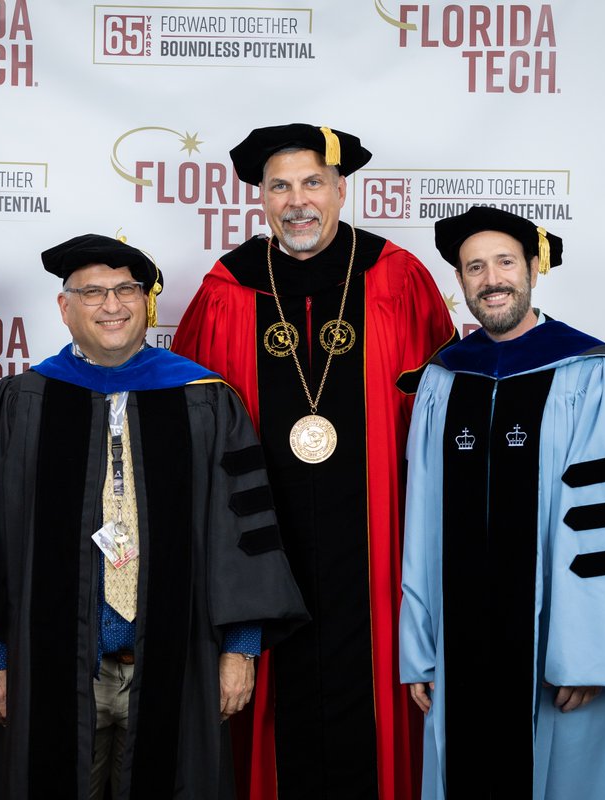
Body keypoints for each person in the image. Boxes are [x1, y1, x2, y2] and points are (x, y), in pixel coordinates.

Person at [0, 234, 307, 800]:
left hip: (177, 665)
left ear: (147, 302)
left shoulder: (205, 399)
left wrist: (241, 649)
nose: (112, 304)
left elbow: (240, 533)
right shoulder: (22, 402)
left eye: (126, 289)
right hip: (53, 668)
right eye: (92, 292)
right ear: (64, 307)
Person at [172, 123, 457, 800]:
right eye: (280, 186)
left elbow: (447, 417)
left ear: (340, 190)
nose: (298, 201)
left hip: (377, 548)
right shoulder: (227, 288)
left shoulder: (397, 277)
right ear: (261, 198)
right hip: (263, 550)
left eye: (312, 183)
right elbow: (186, 434)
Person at [399, 206, 605, 800]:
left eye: (505, 262)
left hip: (565, 656)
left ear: (534, 269)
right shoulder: (443, 379)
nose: (491, 279)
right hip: (459, 651)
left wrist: (593, 655)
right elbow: (422, 524)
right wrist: (420, 648)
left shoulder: (590, 373)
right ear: (461, 282)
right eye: (474, 267)